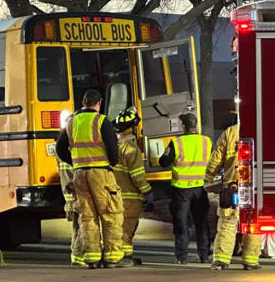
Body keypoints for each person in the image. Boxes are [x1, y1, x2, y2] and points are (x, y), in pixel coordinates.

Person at [56, 89, 124, 268]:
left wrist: (75, 162)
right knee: (110, 213)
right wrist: (111, 163)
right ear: (99, 103)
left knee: (87, 216)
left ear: (83, 102)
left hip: (79, 174)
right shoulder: (101, 120)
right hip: (100, 172)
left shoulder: (71, 122)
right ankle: (112, 257)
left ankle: (92, 257)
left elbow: (60, 148)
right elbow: (113, 149)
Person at [203, 117, 262, 270]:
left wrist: (208, 179)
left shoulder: (230, 132)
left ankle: (222, 260)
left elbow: (216, 159)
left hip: (232, 186)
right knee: (253, 223)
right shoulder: (261, 130)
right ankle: (251, 261)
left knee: (228, 222)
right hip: (255, 187)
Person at [159, 113, 212, 264]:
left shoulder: (176, 143)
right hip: (200, 187)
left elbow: (163, 162)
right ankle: (204, 255)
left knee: (181, 222)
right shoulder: (206, 141)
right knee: (201, 222)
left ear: (183, 126)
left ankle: (181, 257)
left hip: (181, 188)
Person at [111, 107, 153, 267]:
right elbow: (137, 176)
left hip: (114, 194)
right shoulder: (131, 149)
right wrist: (147, 191)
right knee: (127, 230)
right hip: (129, 197)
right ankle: (122, 258)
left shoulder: (113, 147)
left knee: (118, 228)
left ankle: (126, 256)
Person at [55, 154, 83, 266]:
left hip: (70, 198)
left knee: (77, 228)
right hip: (78, 196)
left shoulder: (61, 154)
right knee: (84, 227)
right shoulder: (75, 153)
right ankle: (79, 255)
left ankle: (76, 257)